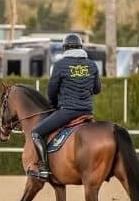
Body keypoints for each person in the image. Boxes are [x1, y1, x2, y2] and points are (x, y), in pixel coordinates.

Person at [29, 34, 101, 180]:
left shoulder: (60, 65)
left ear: (65, 48)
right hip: (87, 112)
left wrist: (53, 104)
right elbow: (97, 89)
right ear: (81, 47)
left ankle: (43, 168)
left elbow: (52, 90)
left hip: (68, 112)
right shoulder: (92, 65)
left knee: (36, 133)